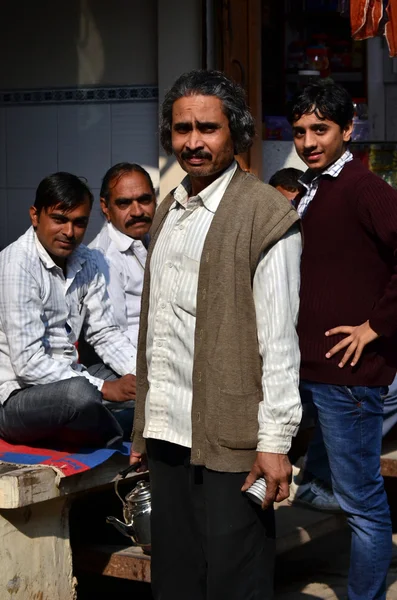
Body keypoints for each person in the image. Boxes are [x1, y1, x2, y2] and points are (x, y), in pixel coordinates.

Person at [129, 69, 302, 600]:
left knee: (236, 578)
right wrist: (144, 427)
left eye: (208, 128)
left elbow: (279, 341)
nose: (193, 142)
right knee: (178, 578)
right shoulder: (170, 210)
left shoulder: (266, 213)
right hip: (169, 432)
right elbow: (156, 328)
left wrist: (274, 443)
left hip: (234, 438)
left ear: (237, 133)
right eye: (182, 129)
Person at [289, 80, 397, 600]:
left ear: (347, 130)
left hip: (348, 377)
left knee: (364, 508)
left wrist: (376, 327)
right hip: (311, 372)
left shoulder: (363, 187)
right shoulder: (315, 187)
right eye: (301, 131)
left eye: (321, 129)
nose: (309, 141)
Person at [0, 172, 137, 449]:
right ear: (35, 216)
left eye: (79, 223)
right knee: (81, 395)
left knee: (147, 386)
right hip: (17, 399)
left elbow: (104, 333)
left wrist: (140, 377)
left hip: (70, 376)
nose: (69, 232)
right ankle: (118, 431)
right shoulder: (18, 263)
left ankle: (88, 430)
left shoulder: (87, 260)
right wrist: (104, 389)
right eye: (59, 219)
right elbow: (28, 365)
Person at [79, 163, 156, 368]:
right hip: (133, 366)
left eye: (144, 200)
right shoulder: (103, 258)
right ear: (106, 207)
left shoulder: (152, 239)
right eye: (124, 203)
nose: (137, 211)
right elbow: (113, 337)